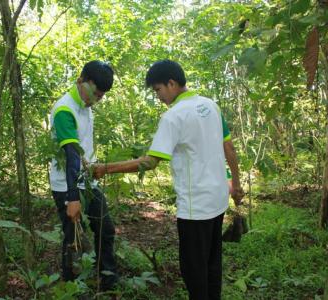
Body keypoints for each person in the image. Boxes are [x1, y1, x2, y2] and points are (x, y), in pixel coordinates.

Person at [92, 59, 244, 299]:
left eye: (158, 90)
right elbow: (229, 148)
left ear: (171, 83)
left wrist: (106, 168)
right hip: (217, 200)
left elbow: (150, 162)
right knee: (213, 264)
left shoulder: (174, 116)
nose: (158, 96)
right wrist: (235, 184)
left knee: (194, 270)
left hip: (195, 208)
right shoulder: (210, 105)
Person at [49, 60, 118, 290]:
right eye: (95, 93)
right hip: (67, 185)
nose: (96, 100)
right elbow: (72, 156)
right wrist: (73, 198)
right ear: (81, 81)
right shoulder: (64, 110)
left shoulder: (86, 107)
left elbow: (85, 150)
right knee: (73, 239)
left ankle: (107, 278)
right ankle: (71, 287)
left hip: (89, 182)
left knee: (105, 228)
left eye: (101, 96)